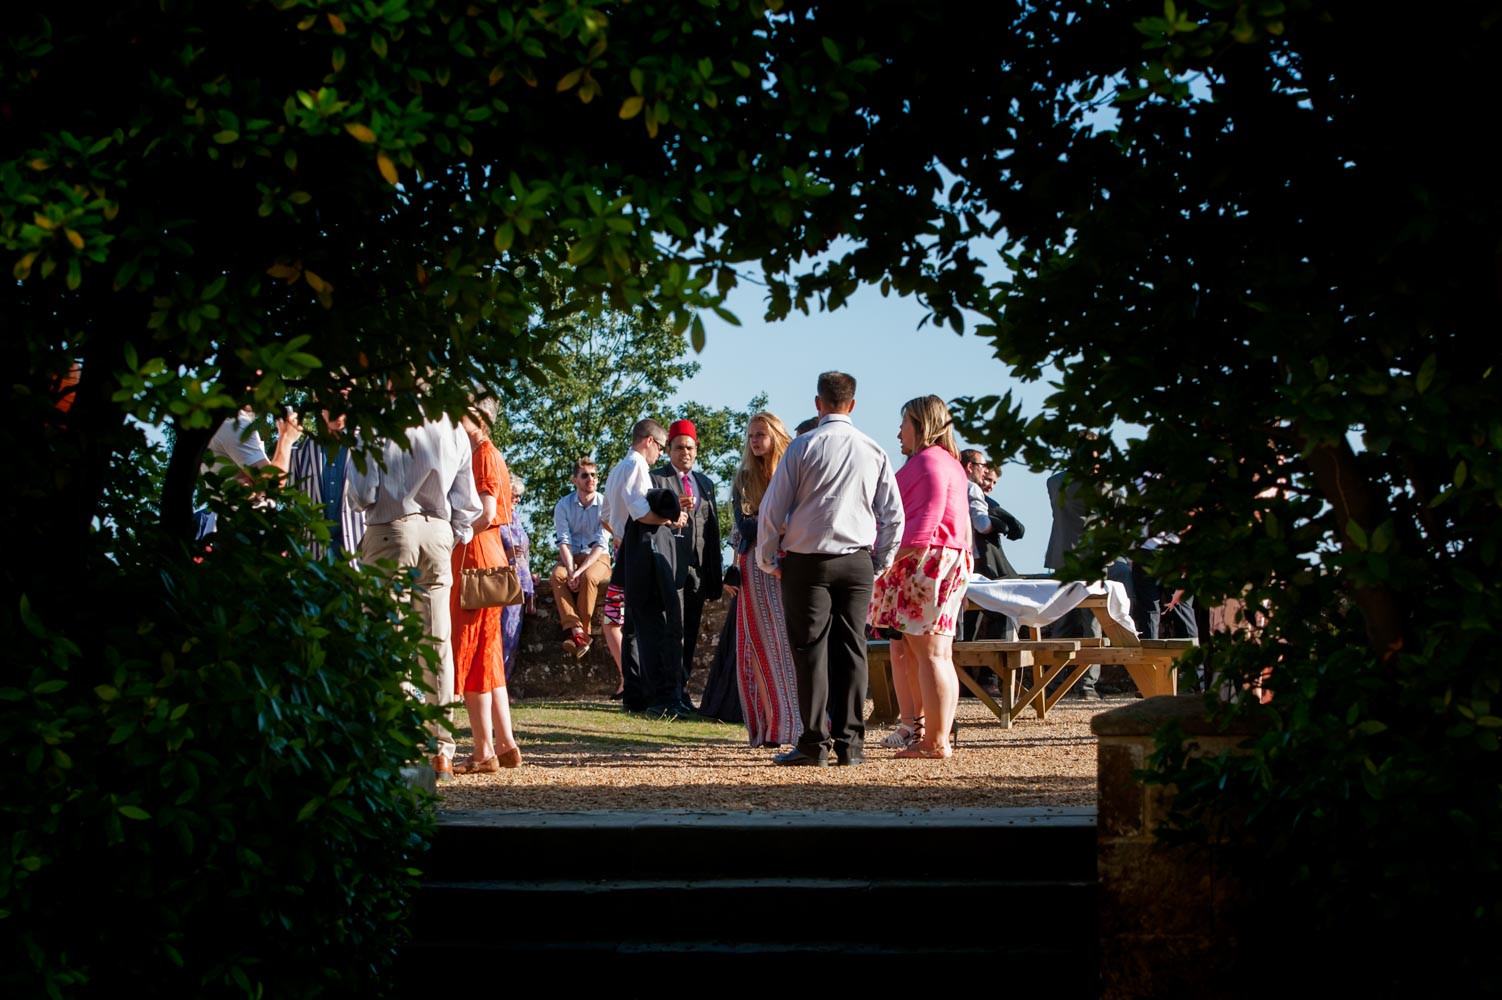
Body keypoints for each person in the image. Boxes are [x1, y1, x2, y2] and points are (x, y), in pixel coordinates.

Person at [757, 372, 904, 767]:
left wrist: (766, 558)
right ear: (852, 405)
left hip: (807, 561)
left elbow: (772, 510)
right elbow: (894, 516)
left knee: (810, 652)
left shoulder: (803, 447)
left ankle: (813, 743)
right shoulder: (873, 449)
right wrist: (879, 562)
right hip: (857, 559)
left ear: (817, 403)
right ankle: (852, 745)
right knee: (852, 650)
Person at [348, 411, 482, 780]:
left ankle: (400, 745)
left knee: (389, 640)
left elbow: (362, 493)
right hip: (438, 534)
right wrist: (451, 535)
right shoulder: (451, 425)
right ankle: (442, 750)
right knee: (437, 642)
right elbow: (468, 503)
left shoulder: (376, 423)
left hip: (391, 529)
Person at [869, 395, 973, 759]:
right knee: (929, 653)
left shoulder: (929, 463)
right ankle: (929, 735)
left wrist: (880, 562)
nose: (899, 432)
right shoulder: (949, 464)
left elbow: (922, 526)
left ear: (921, 424)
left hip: (927, 562)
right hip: (942, 559)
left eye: (904, 424)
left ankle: (935, 741)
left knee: (931, 653)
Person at [448, 396, 523, 772]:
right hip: (487, 557)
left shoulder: (482, 454)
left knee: (471, 651)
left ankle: (483, 750)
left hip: (475, 557)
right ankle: (504, 744)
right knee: (488, 655)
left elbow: (487, 512)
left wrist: (452, 534)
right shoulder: (485, 452)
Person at [604, 419, 692, 718]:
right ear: (650, 442)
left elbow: (606, 514)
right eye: (660, 447)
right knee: (653, 622)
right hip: (642, 545)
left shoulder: (617, 469)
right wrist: (672, 518)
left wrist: (620, 536)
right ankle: (659, 699)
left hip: (627, 548)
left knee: (633, 626)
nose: (659, 457)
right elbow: (641, 514)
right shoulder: (636, 466)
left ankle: (636, 693)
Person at [730, 413, 800, 747]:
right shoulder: (744, 478)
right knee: (759, 645)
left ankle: (795, 722)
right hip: (755, 566)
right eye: (751, 436)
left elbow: (802, 519)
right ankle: (772, 725)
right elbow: (743, 526)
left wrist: (766, 519)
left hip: (791, 562)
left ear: (776, 436)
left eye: (761, 434)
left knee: (789, 643)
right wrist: (775, 522)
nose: (755, 441)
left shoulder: (792, 471)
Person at [650, 419, 724, 708]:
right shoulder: (657, 479)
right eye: (679, 447)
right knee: (671, 631)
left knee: (690, 631)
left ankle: (682, 690)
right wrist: (674, 507)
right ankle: (668, 693)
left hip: (698, 568)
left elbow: (712, 529)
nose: (685, 453)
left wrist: (715, 571)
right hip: (669, 566)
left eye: (690, 448)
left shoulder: (705, 484)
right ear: (669, 448)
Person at [1043, 457, 1103, 699]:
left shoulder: (1054, 481)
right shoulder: (1097, 484)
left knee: (1061, 622)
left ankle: (1053, 682)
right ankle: (1087, 685)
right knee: (1093, 623)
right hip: (1090, 556)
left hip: (1061, 554)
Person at [288, 396, 365, 560]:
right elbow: (292, 507)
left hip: (359, 553)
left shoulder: (366, 447)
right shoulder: (300, 453)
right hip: (315, 556)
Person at [550, 458, 612, 659]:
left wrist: (579, 571)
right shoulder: (563, 505)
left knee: (589, 578)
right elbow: (563, 541)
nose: (590, 479)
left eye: (594, 475)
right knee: (557, 576)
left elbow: (601, 544)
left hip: (598, 557)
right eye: (585, 475)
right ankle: (578, 631)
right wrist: (570, 570)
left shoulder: (605, 504)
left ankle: (580, 632)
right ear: (574, 480)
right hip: (572, 556)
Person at [960, 449, 1024, 642]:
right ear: (971, 467)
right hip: (977, 564)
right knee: (1004, 611)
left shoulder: (950, 486)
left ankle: (969, 670)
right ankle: (993, 670)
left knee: (967, 624)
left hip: (960, 562)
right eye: (984, 472)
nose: (988, 483)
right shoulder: (971, 489)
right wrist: (998, 523)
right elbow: (981, 523)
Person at [499, 475, 535, 681]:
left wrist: (531, 576)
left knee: (512, 637)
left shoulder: (516, 518)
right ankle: (496, 686)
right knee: (501, 635)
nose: (518, 500)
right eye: (515, 495)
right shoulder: (496, 518)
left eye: (519, 496)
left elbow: (525, 552)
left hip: (520, 583)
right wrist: (507, 554)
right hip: (503, 583)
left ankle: (503, 684)